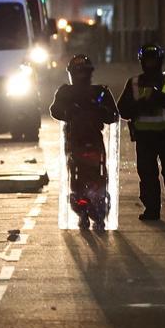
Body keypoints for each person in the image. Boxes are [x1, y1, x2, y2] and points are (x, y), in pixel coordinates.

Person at [50, 55, 120, 232]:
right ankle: (82, 209)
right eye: (78, 72)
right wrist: (69, 110)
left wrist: (99, 110)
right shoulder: (65, 92)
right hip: (74, 142)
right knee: (75, 176)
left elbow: (113, 115)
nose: (81, 77)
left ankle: (98, 208)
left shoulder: (100, 92)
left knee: (100, 174)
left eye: (84, 72)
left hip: (95, 141)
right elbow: (55, 110)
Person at [118, 44, 165, 221]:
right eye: (147, 60)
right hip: (144, 137)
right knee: (148, 175)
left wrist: (158, 98)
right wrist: (141, 105)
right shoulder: (134, 82)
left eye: (153, 60)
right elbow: (122, 110)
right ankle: (152, 210)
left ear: (160, 61)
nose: (150, 63)